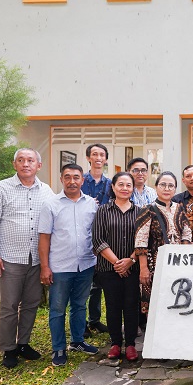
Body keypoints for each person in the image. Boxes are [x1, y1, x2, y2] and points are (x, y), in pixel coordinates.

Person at [0, 148, 53, 369]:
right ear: (15, 165)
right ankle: (8, 349)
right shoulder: (1, 188)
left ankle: (23, 343)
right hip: (9, 258)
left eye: (30, 160)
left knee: (31, 304)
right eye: (21, 160)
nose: (25, 164)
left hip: (35, 259)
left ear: (38, 166)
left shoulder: (47, 191)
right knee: (9, 306)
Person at [38, 163, 100, 367]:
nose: (72, 181)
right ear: (61, 179)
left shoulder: (92, 204)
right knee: (57, 309)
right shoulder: (51, 204)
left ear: (83, 180)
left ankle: (77, 341)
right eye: (67, 177)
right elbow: (44, 238)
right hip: (60, 266)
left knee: (79, 305)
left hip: (86, 264)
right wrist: (45, 267)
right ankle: (58, 348)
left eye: (76, 177)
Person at [91, 172, 142, 361]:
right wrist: (117, 263)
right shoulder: (103, 211)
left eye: (128, 185)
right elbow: (98, 239)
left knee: (131, 306)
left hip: (133, 267)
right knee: (112, 306)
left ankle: (130, 344)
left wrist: (130, 260)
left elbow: (143, 240)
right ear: (113, 187)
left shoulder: (140, 212)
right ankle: (115, 343)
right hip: (108, 269)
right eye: (120, 184)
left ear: (132, 188)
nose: (124, 188)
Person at [135, 172, 192, 321]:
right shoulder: (148, 209)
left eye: (170, 186)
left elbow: (187, 232)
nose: (167, 189)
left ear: (175, 189)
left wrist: (183, 251)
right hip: (155, 266)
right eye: (163, 185)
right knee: (156, 304)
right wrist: (143, 268)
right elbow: (141, 241)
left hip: (178, 265)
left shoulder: (179, 208)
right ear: (156, 187)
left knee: (176, 299)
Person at [81, 143, 111, 337]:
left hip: (103, 236)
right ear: (88, 158)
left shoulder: (110, 183)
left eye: (102, 155)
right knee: (83, 282)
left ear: (106, 159)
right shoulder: (81, 180)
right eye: (94, 154)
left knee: (98, 283)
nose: (98, 157)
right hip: (82, 235)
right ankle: (80, 322)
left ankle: (95, 320)